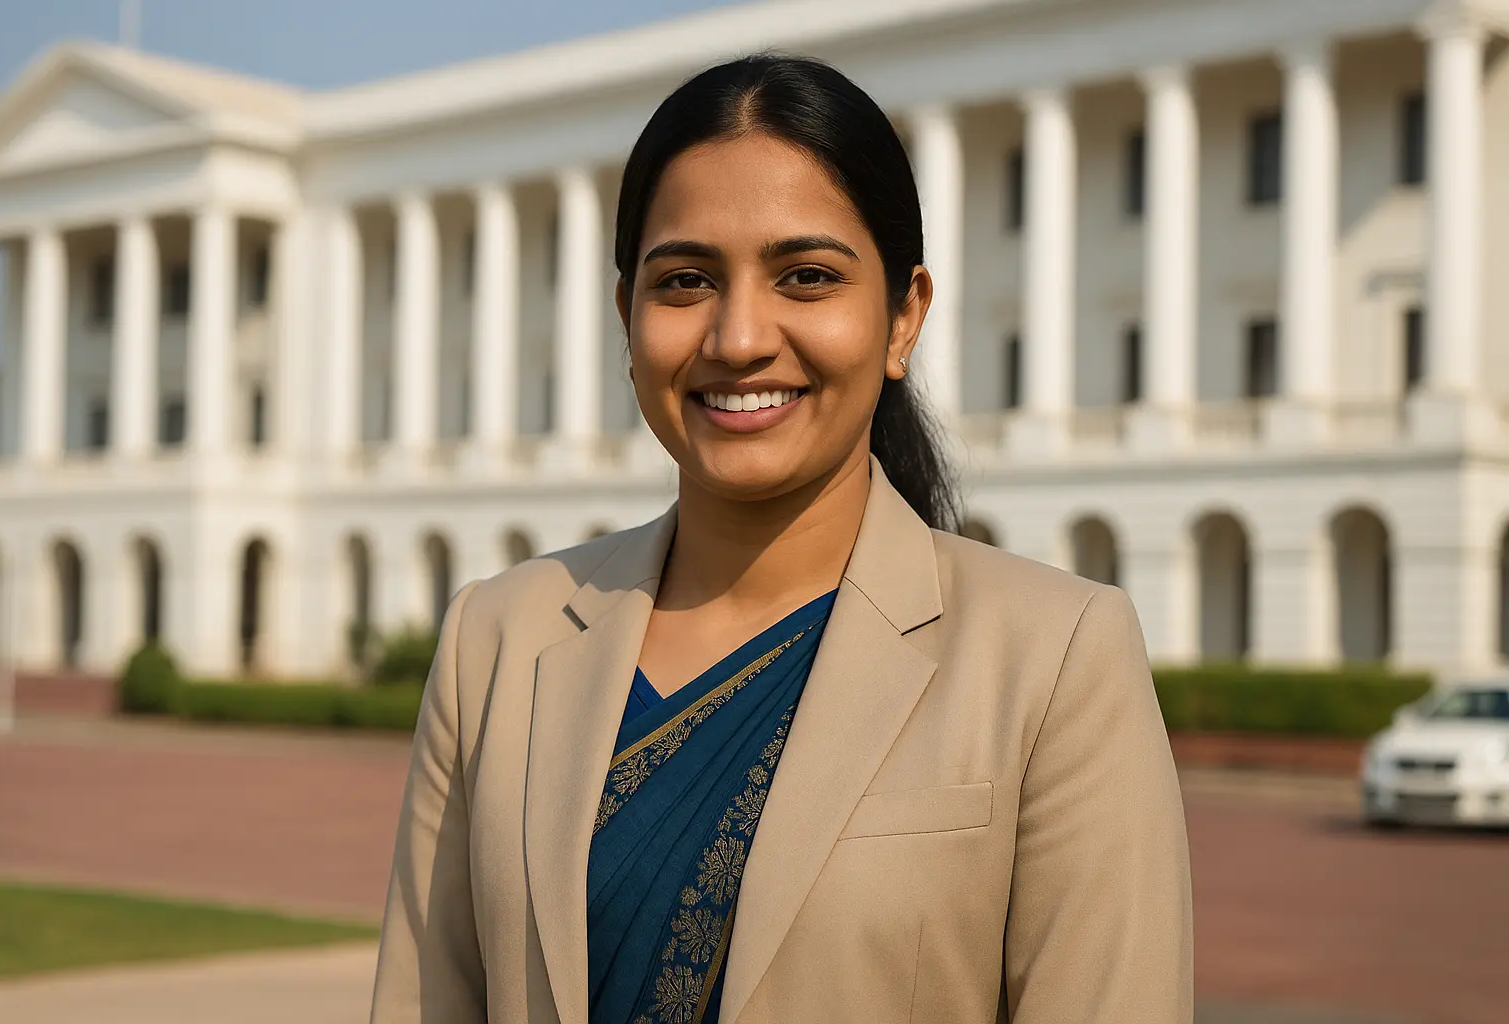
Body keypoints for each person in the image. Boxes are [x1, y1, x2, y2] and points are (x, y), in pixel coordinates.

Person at [370, 53, 1192, 1024]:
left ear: (902, 317)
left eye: (806, 276)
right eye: (685, 280)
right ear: (626, 319)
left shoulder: (1051, 657)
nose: (739, 336)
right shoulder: (497, 642)